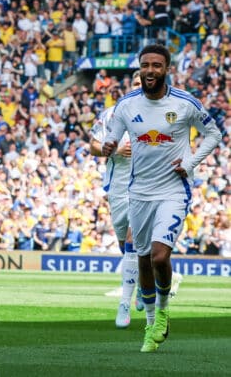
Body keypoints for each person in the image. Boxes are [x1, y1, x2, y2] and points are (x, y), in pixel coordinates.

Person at [102, 43, 221, 352]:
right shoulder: (126, 104)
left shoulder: (184, 103)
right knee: (142, 258)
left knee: (159, 256)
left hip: (173, 190)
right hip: (138, 192)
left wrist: (191, 163)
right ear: (139, 69)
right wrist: (110, 145)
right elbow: (112, 135)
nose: (151, 70)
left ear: (168, 69)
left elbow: (214, 134)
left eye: (157, 65)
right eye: (146, 65)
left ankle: (164, 310)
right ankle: (151, 321)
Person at [90, 71, 143, 329]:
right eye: (135, 82)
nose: (140, 85)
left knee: (135, 238)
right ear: (129, 86)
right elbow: (93, 145)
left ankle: (124, 302)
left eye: (143, 81)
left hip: (146, 186)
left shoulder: (160, 113)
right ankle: (143, 282)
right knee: (125, 244)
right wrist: (115, 150)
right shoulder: (111, 115)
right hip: (117, 187)